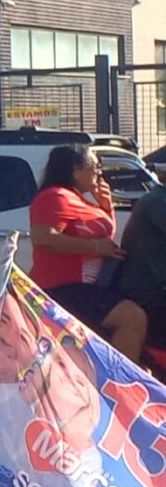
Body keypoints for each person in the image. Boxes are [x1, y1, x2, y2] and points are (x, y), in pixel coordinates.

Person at [41, 143, 149, 358]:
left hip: (92, 286)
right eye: (95, 166)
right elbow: (44, 238)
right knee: (132, 317)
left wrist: (106, 206)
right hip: (63, 286)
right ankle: (121, 384)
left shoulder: (79, 199)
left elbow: (104, 235)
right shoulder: (54, 196)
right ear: (75, 169)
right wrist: (97, 247)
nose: (99, 173)